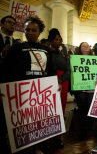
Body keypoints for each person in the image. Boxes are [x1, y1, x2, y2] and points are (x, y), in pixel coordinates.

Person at [2, 15, 57, 154]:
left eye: (34, 30)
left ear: (39, 32)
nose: (30, 33)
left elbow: (51, 70)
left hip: (41, 92)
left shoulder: (46, 50)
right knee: (23, 122)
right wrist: (3, 88)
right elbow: (6, 69)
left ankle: (37, 148)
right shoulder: (16, 48)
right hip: (22, 92)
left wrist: (56, 84)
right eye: (28, 30)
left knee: (38, 121)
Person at [48, 28, 70, 148]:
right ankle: (45, 140)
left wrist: (61, 80)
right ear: (50, 40)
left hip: (63, 83)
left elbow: (68, 69)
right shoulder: (46, 53)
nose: (59, 42)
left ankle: (57, 138)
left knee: (60, 110)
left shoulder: (64, 55)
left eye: (60, 40)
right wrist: (55, 80)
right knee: (49, 110)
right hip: (49, 83)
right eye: (56, 40)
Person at [74, 42, 97, 140]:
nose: (85, 47)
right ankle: (83, 132)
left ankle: (96, 131)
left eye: (87, 45)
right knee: (82, 112)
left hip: (92, 90)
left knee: (93, 111)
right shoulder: (75, 60)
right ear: (80, 49)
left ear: (90, 48)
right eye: (83, 46)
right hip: (81, 91)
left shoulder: (96, 59)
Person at [0, 15, 17, 154]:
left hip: (12, 85)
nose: (12, 25)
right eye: (9, 22)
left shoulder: (17, 44)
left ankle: (7, 139)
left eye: (14, 23)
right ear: (1, 24)